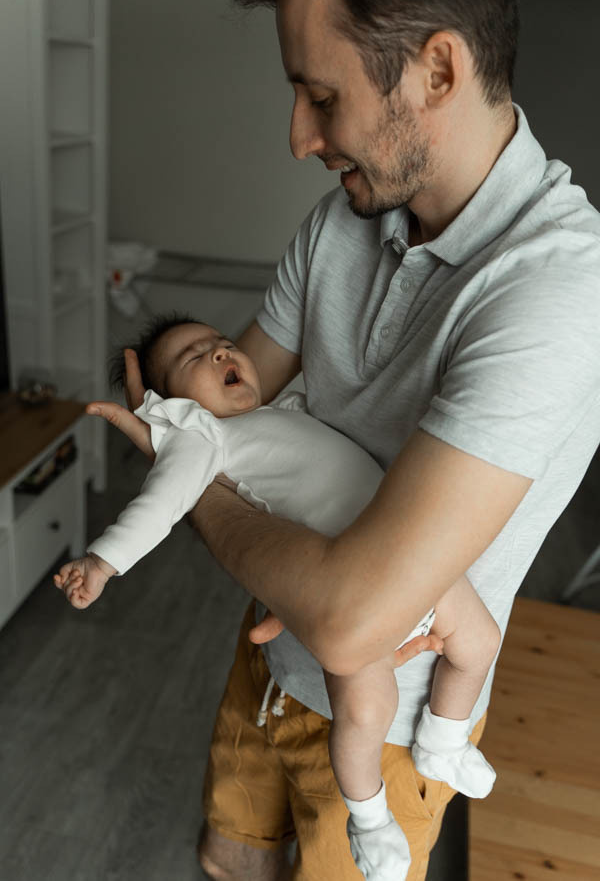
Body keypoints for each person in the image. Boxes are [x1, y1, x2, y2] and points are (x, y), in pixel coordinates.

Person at [88, 0, 600, 878]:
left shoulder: (556, 293)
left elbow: (348, 619)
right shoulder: (343, 220)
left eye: (322, 97)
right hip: (267, 657)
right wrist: (210, 460)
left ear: (439, 70)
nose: (299, 138)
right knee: (230, 858)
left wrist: (183, 467)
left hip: (389, 724)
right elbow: (230, 405)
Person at [55, 316, 499, 881]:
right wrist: (102, 561)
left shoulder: (284, 409)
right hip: (347, 594)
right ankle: (370, 820)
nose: (220, 353)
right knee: (365, 713)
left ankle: (445, 740)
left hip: (408, 557)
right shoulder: (201, 436)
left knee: (480, 642)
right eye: (195, 358)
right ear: (174, 405)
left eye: (222, 345)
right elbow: (160, 504)